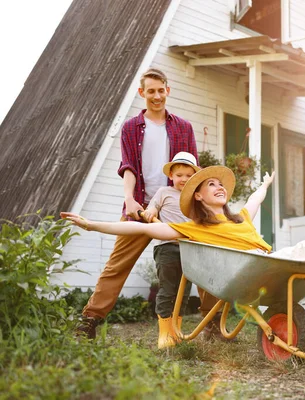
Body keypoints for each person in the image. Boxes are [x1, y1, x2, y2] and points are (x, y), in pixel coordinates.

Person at [63, 160, 305, 296]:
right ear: (198, 197)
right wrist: (92, 225)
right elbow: (142, 232)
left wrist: (265, 185)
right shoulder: (193, 230)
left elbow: (254, 201)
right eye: (211, 185)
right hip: (254, 271)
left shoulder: (238, 217)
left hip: (268, 264)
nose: (219, 187)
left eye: (220, 184)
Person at [74, 68, 219, 340]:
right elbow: (128, 166)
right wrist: (130, 199)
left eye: (160, 90)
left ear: (168, 90)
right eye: (150, 91)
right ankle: (89, 320)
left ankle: (212, 322)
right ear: (142, 93)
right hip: (142, 206)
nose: (156, 96)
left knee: (203, 260)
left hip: (179, 209)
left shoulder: (183, 127)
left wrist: (201, 206)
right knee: (117, 264)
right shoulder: (131, 128)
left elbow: (193, 172)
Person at [143, 152, 199, 349]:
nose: (183, 179)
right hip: (166, 247)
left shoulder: (195, 197)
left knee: (183, 292)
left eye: (188, 175)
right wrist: (150, 212)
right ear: (172, 176)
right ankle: (164, 334)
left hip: (190, 249)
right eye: (179, 175)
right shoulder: (164, 192)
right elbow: (152, 208)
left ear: (194, 177)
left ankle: (176, 331)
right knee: (167, 289)